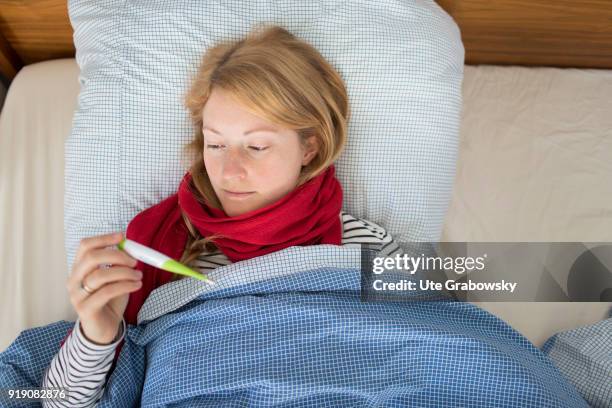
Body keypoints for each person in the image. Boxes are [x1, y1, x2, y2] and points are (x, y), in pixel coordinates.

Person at [41, 24, 402, 407]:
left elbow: (439, 352)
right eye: (215, 144)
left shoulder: (372, 246)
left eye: (257, 146)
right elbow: (57, 402)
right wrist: (96, 333)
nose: (229, 172)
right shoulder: (158, 245)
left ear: (310, 147)